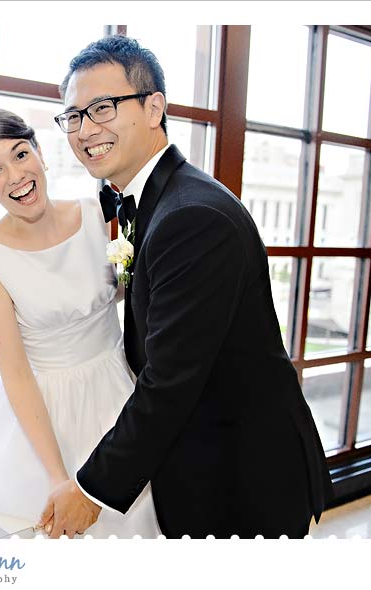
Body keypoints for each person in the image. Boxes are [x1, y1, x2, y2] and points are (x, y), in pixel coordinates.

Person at [39, 35, 334, 539]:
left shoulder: (191, 215)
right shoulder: (156, 197)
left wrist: (91, 491)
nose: (85, 130)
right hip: (205, 453)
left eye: (103, 108)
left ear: (154, 108)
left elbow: (172, 378)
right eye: (72, 116)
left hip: (241, 473)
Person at [0, 107, 161, 538]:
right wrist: (57, 475)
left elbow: (121, 291)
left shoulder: (95, 213)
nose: (14, 175)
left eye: (20, 154)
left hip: (120, 392)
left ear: (40, 153)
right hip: (43, 413)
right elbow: (16, 375)